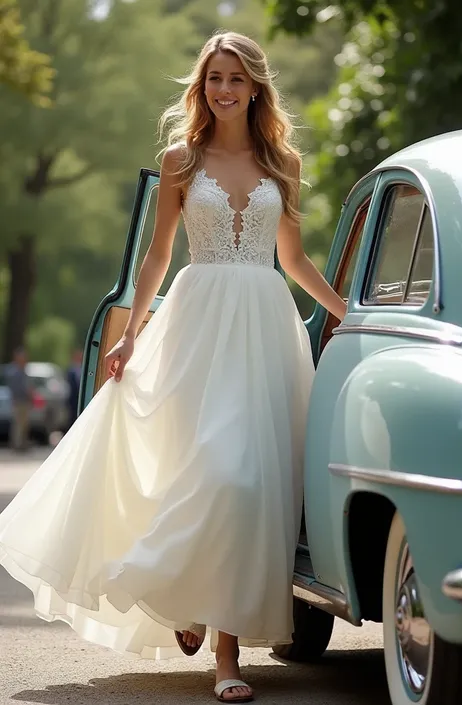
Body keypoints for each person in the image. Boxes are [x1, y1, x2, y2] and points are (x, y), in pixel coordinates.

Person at [0, 32, 346, 703]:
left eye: (236, 79)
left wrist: (345, 312)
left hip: (265, 329)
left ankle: (223, 646)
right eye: (214, 77)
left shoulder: (284, 161)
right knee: (211, 472)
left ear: (254, 87)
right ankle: (197, 616)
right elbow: (158, 258)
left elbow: (295, 259)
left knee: (251, 484)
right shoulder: (181, 160)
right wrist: (130, 332)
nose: (224, 90)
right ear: (203, 84)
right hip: (196, 327)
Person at [5, 347, 32, 452]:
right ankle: (16, 445)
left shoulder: (23, 370)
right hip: (18, 401)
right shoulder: (13, 371)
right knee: (18, 425)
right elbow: (15, 388)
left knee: (24, 424)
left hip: (25, 401)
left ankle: (23, 444)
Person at [65, 348, 83, 430]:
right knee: (72, 418)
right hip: (72, 399)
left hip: (81, 397)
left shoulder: (83, 369)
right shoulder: (70, 370)